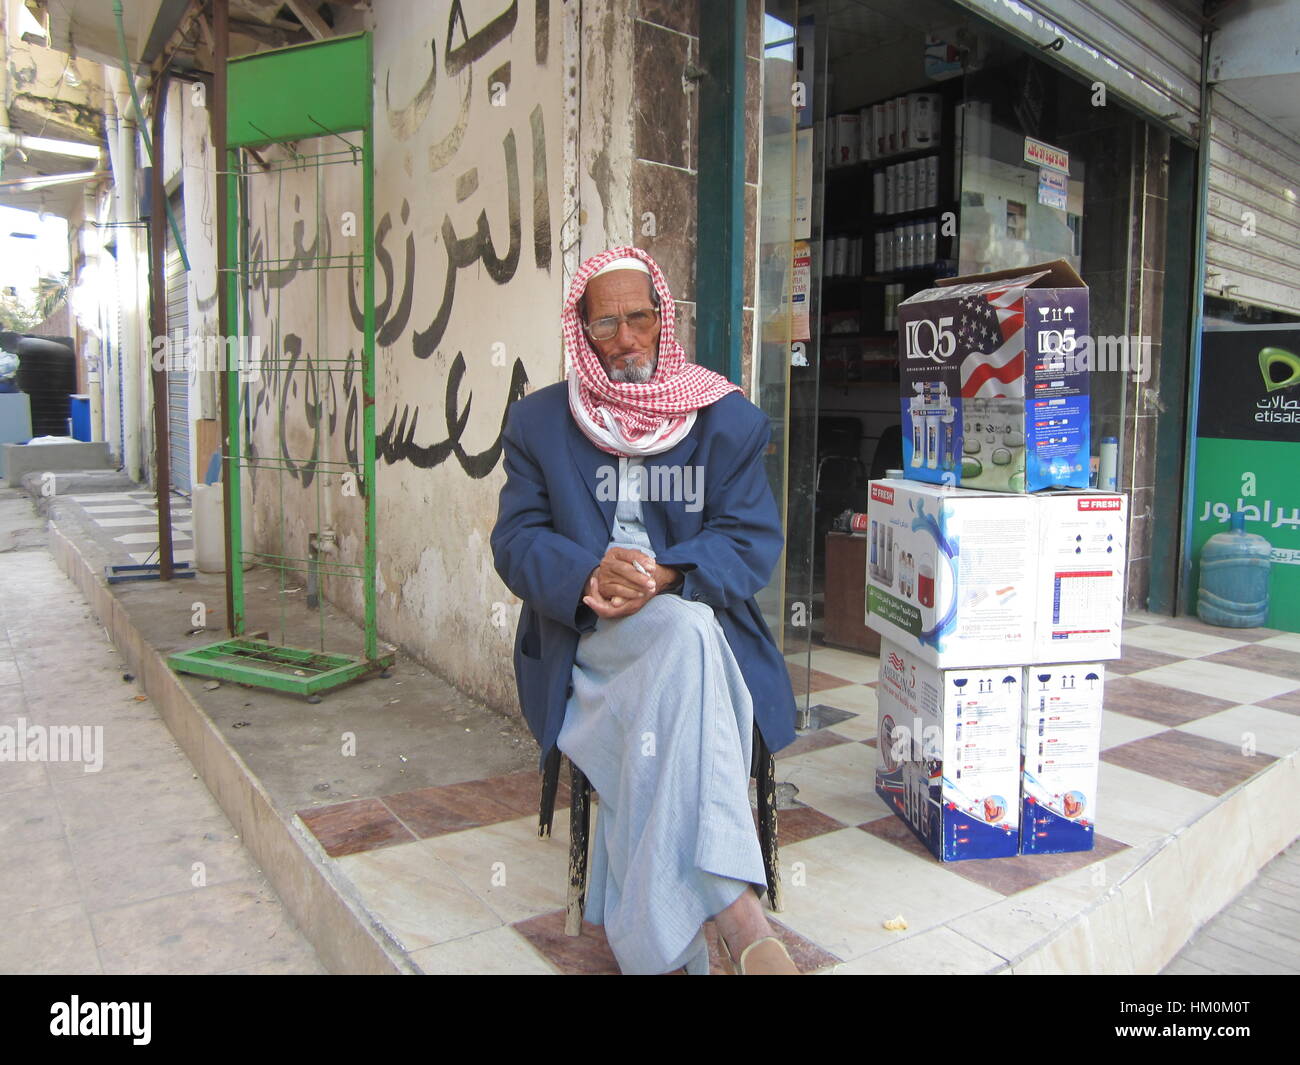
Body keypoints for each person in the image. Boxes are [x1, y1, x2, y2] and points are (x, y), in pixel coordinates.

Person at [490, 245, 800, 975]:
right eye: (607, 324)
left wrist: (667, 574)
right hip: (588, 637)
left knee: (686, 632)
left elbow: (749, 538)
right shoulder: (539, 423)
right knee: (682, 650)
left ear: (663, 318)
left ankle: (678, 937)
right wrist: (585, 571)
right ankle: (740, 915)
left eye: (640, 318)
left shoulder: (722, 419)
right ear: (582, 330)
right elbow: (515, 540)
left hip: (694, 620)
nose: (627, 339)